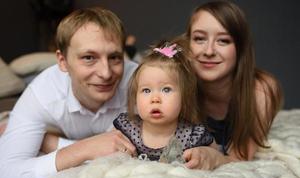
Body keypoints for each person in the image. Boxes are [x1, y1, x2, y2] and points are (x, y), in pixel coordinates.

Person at [0, 7, 138, 178]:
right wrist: (84, 149)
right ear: (62, 61)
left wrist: (51, 142)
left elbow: (156, 146)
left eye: (115, 57)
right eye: (89, 58)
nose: (106, 73)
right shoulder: (42, 95)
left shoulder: (140, 82)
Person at [182, 1, 283, 169]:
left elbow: (240, 158)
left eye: (223, 41)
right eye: (199, 39)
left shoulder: (260, 90)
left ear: (240, 48)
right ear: (188, 43)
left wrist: (214, 158)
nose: (208, 51)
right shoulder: (178, 85)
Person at [113, 40, 217, 162]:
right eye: (146, 90)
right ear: (135, 98)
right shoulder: (128, 128)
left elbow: (215, 159)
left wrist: (205, 156)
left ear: (184, 97)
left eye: (166, 90)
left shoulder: (192, 135)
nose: (155, 99)